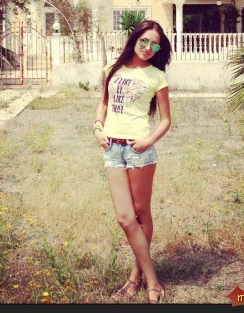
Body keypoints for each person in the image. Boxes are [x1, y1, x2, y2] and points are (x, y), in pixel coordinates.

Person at [93, 19, 171, 304]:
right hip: (112, 149)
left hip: (140, 151)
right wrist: (97, 127)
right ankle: (153, 280)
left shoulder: (156, 77)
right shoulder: (112, 69)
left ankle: (139, 278)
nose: (148, 48)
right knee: (125, 218)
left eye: (155, 45)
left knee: (140, 214)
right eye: (144, 41)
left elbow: (166, 120)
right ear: (134, 39)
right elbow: (104, 103)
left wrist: (148, 141)